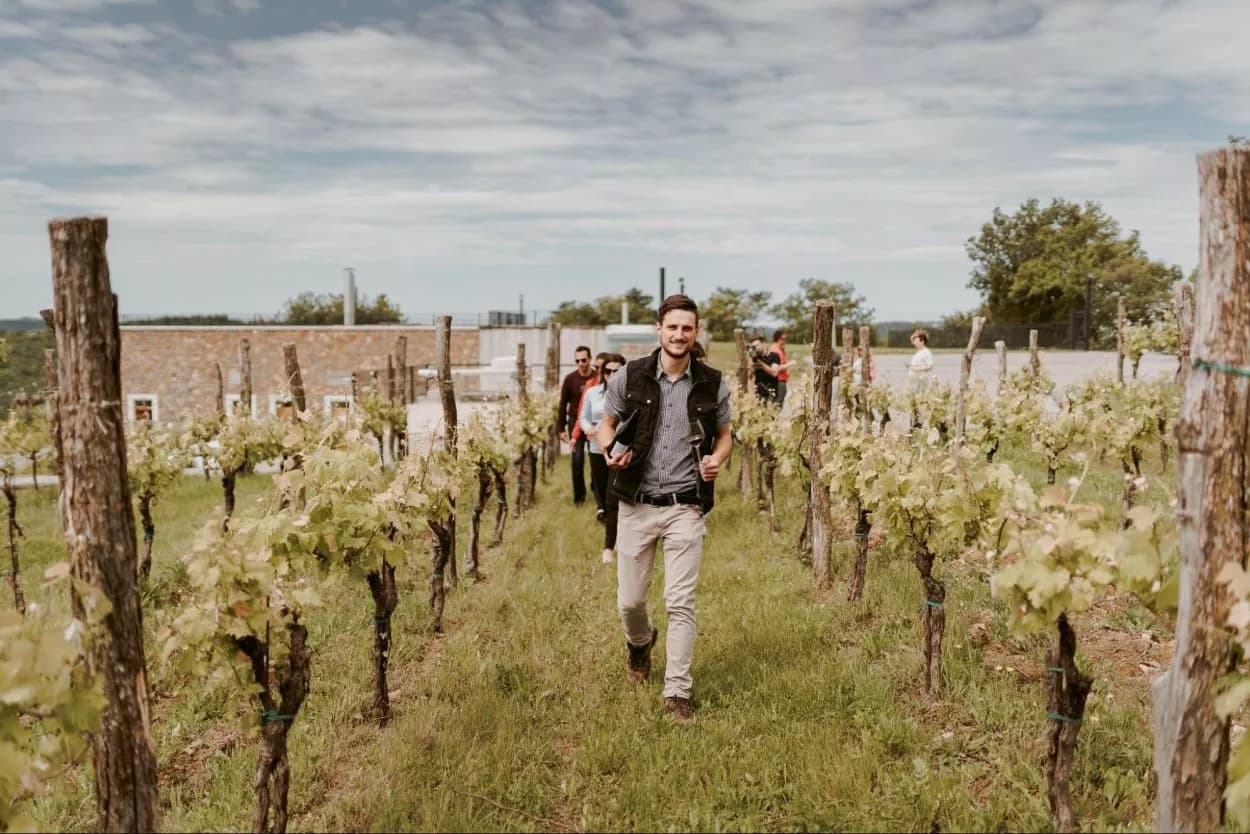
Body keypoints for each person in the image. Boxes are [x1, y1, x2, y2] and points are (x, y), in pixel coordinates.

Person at [598, 294, 733, 724]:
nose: (679, 335)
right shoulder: (631, 376)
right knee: (630, 602)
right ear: (659, 329)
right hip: (635, 504)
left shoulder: (712, 382)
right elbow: (607, 423)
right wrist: (607, 449)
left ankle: (677, 690)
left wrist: (717, 459)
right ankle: (640, 643)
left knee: (680, 601)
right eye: (672, 327)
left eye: (687, 328)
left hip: (685, 506)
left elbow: (725, 434)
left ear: (696, 334)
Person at [580, 353, 626, 563]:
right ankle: (613, 535)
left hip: (620, 453)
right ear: (602, 372)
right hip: (597, 450)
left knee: (613, 498)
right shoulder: (592, 393)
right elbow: (584, 418)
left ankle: (609, 545)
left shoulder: (631, 396)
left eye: (617, 370)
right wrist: (591, 429)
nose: (612, 374)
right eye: (608, 371)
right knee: (600, 489)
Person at [559, 345, 595, 506]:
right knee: (577, 460)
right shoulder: (570, 379)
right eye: (577, 360)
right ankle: (579, 498)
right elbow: (562, 404)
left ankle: (597, 490)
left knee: (596, 459)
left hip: (593, 422)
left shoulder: (597, 377)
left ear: (590, 359)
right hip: (575, 421)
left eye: (584, 360)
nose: (581, 363)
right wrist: (561, 428)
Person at [769, 330, 797, 405]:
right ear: (778, 339)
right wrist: (790, 364)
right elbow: (776, 368)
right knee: (777, 403)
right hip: (778, 381)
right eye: (783, 339)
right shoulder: (775, 350)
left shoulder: (780, 349)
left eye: (785, 338)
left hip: (782, 380)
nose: (785, 341)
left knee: (778, 403)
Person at [750, 335, 781, 402]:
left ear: (763, 344)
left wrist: (761, 364)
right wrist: (752, 368)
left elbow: (774, 373)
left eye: (757, 345)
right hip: (758, 395)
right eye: (753, 347)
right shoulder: (755, 358)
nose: (755, 348)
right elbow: (749, 377)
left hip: (771, 394)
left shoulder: (774, 356)